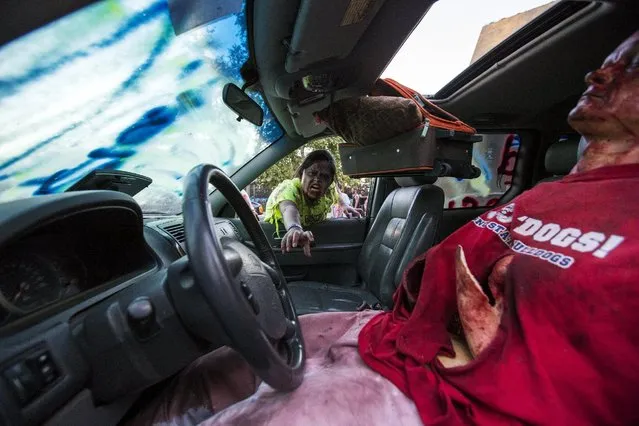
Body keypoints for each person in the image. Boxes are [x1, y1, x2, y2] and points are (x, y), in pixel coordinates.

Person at [129, 31, 639, 426]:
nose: (599, 72)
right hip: (388, 334)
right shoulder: (546, 196)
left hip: (446, 395)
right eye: (609, 58)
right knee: (207, 373)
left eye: (631, 64)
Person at [263, 149, 360, 256]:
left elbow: (335, 190)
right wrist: (294, 228)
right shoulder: (289, 189)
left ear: (329, 181)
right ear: (302, 174)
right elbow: (288, 208)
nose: (317, 179)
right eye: (312, 173)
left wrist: (344, 205)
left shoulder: (328, 190)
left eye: (324, 176)